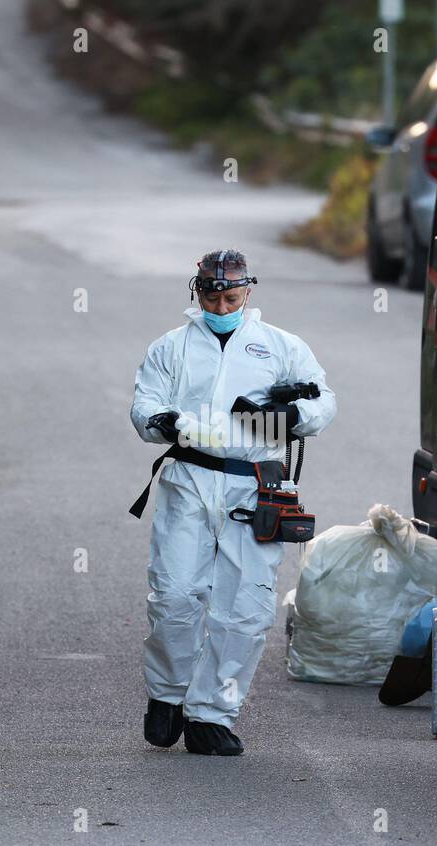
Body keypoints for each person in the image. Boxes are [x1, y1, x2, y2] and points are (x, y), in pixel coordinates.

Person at [130, 249, 336, 755]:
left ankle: (211, 715)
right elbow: (143, 406)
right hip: (190, 478)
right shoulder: (170, 348)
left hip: (255, 483)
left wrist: (290, 416)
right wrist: (164, 422)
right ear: (195, 291)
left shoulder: (281, 347)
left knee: (244, 607)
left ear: (249, 292)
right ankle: (168, 694)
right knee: (176, 595)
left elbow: (323, 401)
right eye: (211, 297)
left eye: (231, 297)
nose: (221, 307)